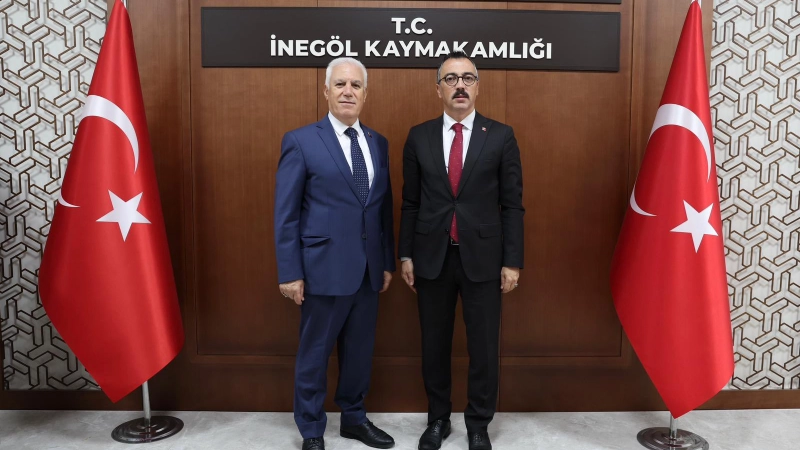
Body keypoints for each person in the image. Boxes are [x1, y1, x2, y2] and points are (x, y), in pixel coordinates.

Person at [398, 51, 525, 450]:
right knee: (433, 345)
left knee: (483, 347)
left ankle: (478, 423)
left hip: (484, 260)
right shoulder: (418, 136)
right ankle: (438, 418)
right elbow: (410, 203)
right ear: (438, 88)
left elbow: (513, 205)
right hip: (431, 258)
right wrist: (405, 254)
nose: (460, 86)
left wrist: (512, 261)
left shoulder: (500, 135)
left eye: (468, 78)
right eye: (451, 79)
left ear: (477, 87)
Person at [274, 57, 396, 450]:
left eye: (355, 85)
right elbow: (286, 213)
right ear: (326, 91)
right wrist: (290, 272)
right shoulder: (301, 141)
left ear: (365, 94)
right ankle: (311, 429)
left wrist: (387, 261)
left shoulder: (378, 143)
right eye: (340, 84)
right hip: (322, 269)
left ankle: (354, 419)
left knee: (359, 353)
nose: (348, 91)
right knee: (315, 354)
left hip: (368, 270)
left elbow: (382, 209)